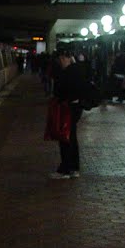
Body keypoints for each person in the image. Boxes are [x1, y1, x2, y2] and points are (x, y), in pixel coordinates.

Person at [49, 48, 85, 179]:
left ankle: (65, 169)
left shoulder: (68, 72)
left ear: (69, 58)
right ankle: (74, 168)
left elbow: (60, 91)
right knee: (72, 138)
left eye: (63, 58)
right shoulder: (79, 70)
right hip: (76, 107)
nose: (62, 61)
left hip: (67, 109)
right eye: (60, 59)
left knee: (65, 138)